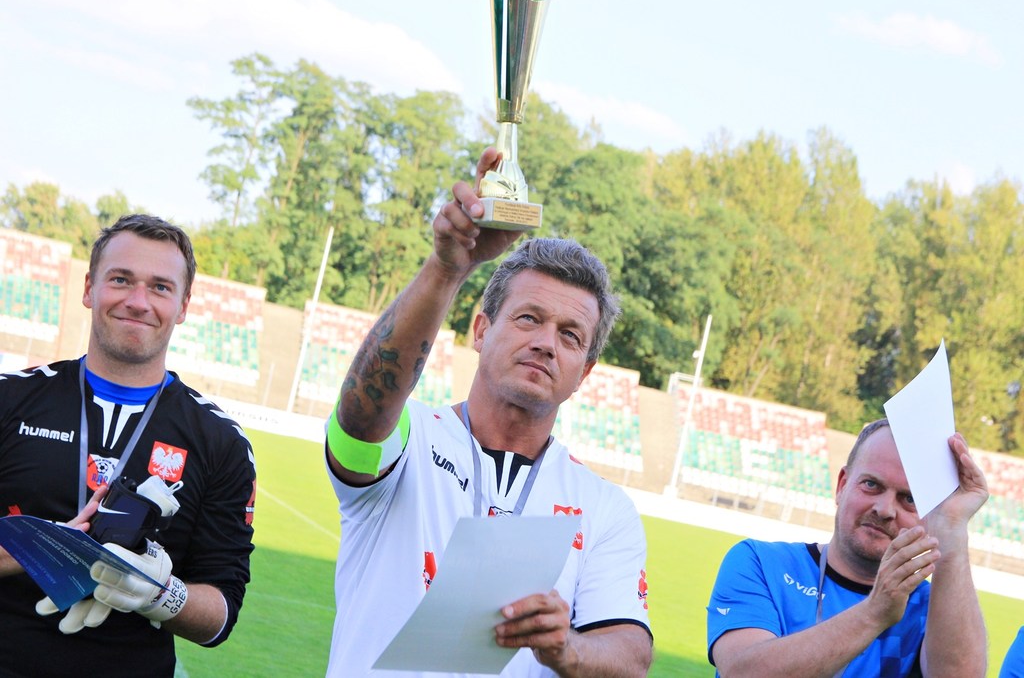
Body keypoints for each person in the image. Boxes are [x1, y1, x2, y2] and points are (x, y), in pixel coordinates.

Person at [324, 148, 653, 678]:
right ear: (481, 330)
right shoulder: (407, 439)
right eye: (528, 318)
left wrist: (567, 649)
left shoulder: (604, 509)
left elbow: (631, 658)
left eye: (570, 336)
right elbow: (361, 413)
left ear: (585, 372)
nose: (546, 343)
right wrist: (447, 269)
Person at [0, 215, 257, 678]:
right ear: (89, 288)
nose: (138, 302)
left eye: (160, 287)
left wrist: (159, 594)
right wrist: (43, 548)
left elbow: (221, 614)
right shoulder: (8, 400)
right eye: (120, 279)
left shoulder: (221, 442)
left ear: (183, 305)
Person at [706, 418, 988, 677]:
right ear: (842, 485)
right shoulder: (762, 563)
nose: (884, 509)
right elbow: (742, 673)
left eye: (909, 499)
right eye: (871, 484)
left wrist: (952, 528)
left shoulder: (932, 608)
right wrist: (875, 612)